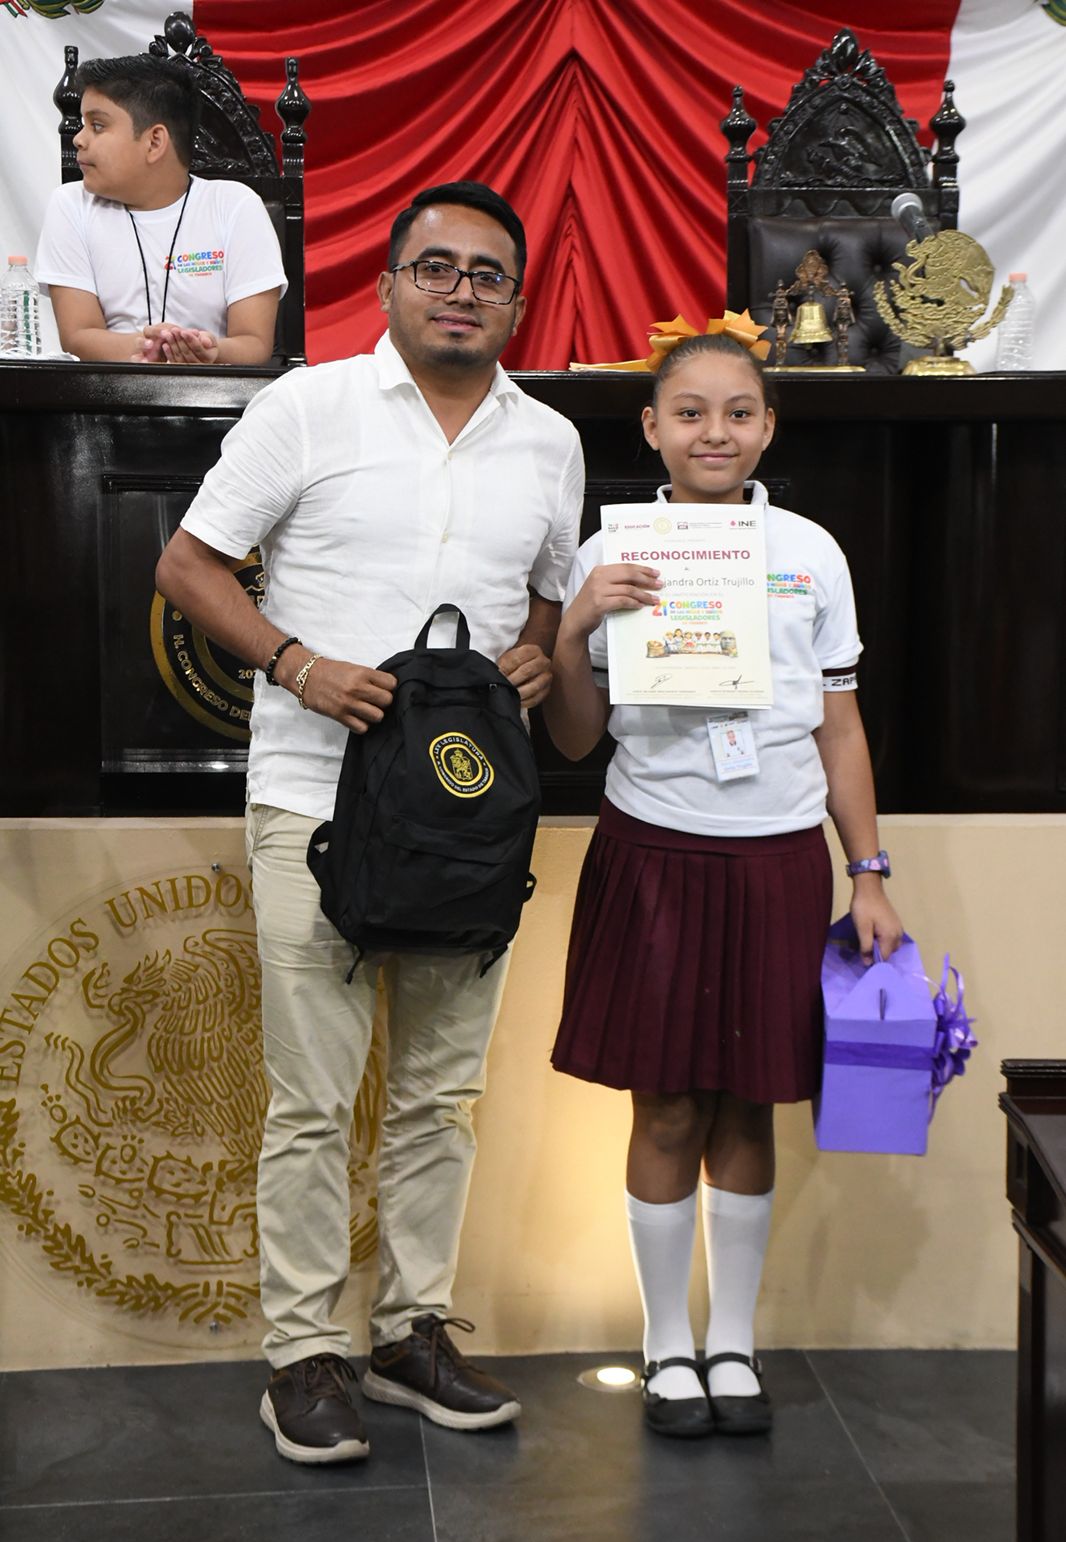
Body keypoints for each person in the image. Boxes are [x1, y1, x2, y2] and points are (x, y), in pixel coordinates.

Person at [155, 180, 584, 1462]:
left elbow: (548, 596)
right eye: (435, 267)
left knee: (440, 1097)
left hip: (467, 818)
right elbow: (187, 563)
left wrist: (535, 652)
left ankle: (410, 1333)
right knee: (311, 1100)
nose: (461, 291)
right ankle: (303, 1351)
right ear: (388, 282)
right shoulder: (306, 407)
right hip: (314, 799)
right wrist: (294, 664)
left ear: (517, 300)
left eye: (487, 274)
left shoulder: (549, 440)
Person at [544, 331, 902, 1439]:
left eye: (739, 412)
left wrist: (869, 873)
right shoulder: (610, 551)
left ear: (768, 427)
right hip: (652, 849)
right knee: (666, 1102)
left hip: (780, 856)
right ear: (650, 427)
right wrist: (574, 627)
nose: (715, 432)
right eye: (690, 412)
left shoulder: (810, 552)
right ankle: (665, 1349)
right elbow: (574, 738)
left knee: (750, 1098)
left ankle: (733, 1343)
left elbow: (840, 728)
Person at [35, 55, 286, 365]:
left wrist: (210, 351)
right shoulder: (71, 205)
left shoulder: (235, 206)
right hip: (109, 389)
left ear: (154, 142)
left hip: (215, 389)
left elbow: (254, 344)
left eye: (97, 126)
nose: (79, 139)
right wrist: (148, 346)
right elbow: (78, 336)